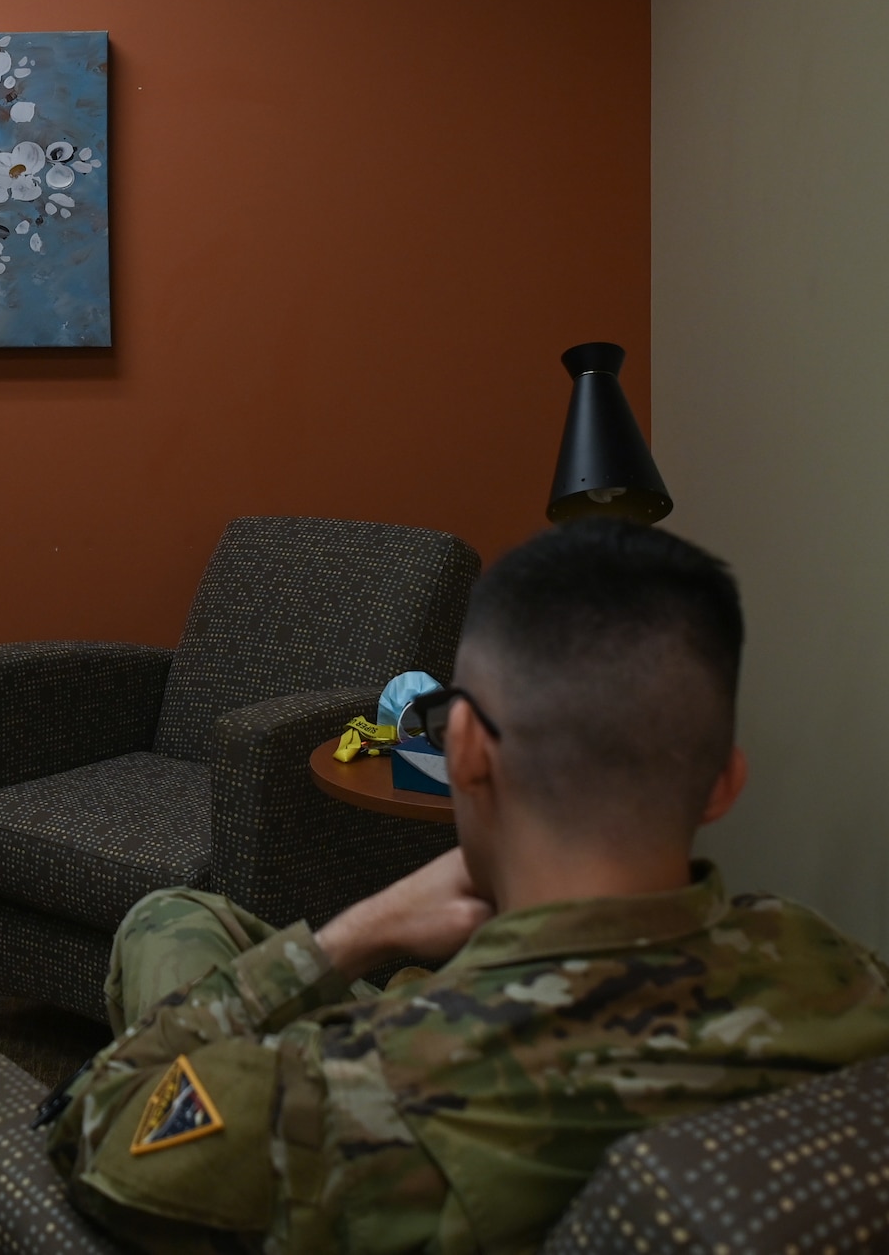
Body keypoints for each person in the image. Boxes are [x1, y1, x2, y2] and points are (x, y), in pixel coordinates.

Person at [44, 520, 889, 1253]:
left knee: (166, 921)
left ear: (467, 754)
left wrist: (357, 932)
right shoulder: (830, 962)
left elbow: (98, 1119)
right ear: (722, 784)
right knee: (189, 913)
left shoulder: (367, 1088)